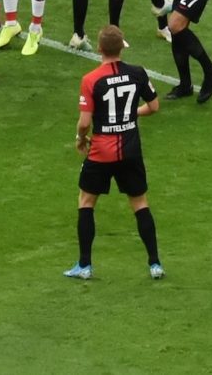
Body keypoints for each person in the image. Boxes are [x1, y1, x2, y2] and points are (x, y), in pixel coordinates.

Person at [64, 25, 163, 281]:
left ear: (99, 48)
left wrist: (79, 138)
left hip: (101, 152)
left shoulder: (91, 79)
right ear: (122, 47)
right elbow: (153, 106)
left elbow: (85, 122)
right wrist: (130, 115)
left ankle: (84, 265)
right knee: (140, 203)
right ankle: (155, 264)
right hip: (131, 149)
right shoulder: (138, 73)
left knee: (86, 202)